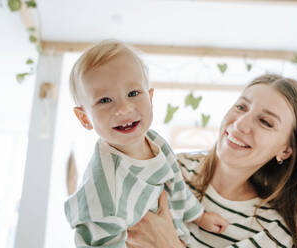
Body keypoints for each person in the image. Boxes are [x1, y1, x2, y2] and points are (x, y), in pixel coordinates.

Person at [64, 40, 229, 247]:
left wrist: (199, 216)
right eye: (105, 100)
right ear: (85, 118)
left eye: (133, 93)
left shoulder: (156, 142)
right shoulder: (102, 193)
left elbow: (176, 186)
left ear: (150, 97)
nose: (124, 108)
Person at [127, 74, 297, 248]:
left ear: (287, 150)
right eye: (241, 107)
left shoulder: (273, 232)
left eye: (265, 122)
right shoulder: (172, 166)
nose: (240, 124)